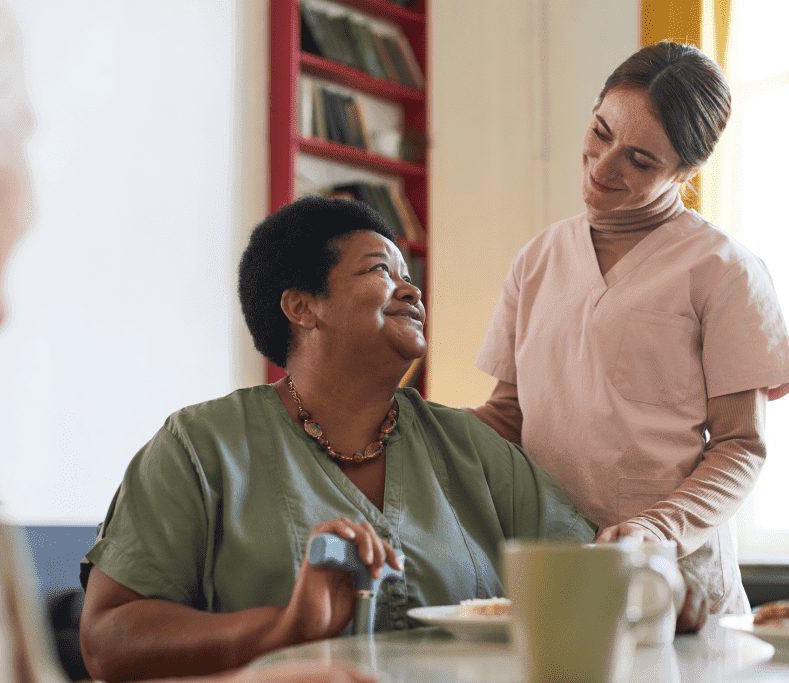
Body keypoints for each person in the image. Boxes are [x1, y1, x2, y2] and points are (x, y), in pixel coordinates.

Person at [0, 1, 374, 682]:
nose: (31, 199)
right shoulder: (196, 445)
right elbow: (107, 639)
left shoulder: (455, 450)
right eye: (17, 139)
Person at [78, 195, 597, 681]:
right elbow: (107, 638)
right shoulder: (199, 447)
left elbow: (591, 572)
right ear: (303, 308)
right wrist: (285, 630)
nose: (412, 290)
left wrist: (671, 586)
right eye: (378, 270)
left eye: (407, 275)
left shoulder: (472, 449)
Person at [470, 41, 789, 616]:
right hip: (557, 571)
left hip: (673, 580)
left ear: (687, 170)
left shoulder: (725, 271)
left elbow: (741, 445)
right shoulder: (538, 259)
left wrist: (657, 529)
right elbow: (507, 414)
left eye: (640, 160)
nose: (603, 166)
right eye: (601, 132)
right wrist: (406, 435)